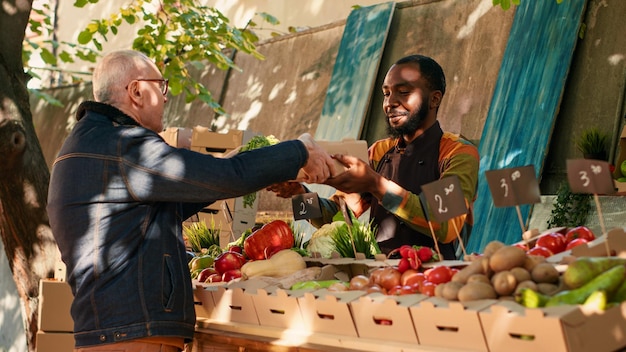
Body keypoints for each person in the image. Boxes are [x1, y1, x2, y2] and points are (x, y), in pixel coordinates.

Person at [46, 49, 337, 352]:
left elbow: (185, 194)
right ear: (136, 91)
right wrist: (299, 151)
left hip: (105, 330)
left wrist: (246, 168)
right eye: (161, 86)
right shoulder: (126, 145)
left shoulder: (80, 145)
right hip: (134, 336)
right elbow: (227, 176)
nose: (166, 97)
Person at [268, 54, 479, 260]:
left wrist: (375, 184)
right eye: (386, 94)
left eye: (403, 92)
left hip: (436, 276)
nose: (390, 103)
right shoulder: (379, 153)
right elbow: (337, 215)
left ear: (434, 99)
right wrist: (299, 194)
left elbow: (445, 223)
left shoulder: (457, 153)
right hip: (380, 275)